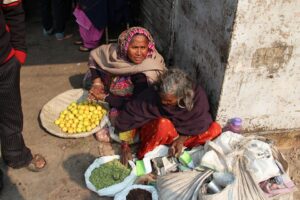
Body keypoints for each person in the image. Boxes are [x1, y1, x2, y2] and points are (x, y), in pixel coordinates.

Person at [114, 68, 222, 164]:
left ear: (182, 96)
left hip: (187, 135)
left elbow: (200, 122)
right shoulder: (152, 96)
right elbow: (129, 115)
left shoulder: (197, 96)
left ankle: (180, 150)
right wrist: (125, 146)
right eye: (162, 98)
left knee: (215, 129)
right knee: (163, 124)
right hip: (163, 135)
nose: (163, 102)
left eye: (169, 101)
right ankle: (145, 156)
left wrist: (181, 139)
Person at [0, 0, 47, 190]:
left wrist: (18, 50)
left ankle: (16, 155)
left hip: (4, 61)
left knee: (11, 113)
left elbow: (12, 6)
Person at [87, 26, 166, 115]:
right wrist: (97, 83)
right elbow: (95, 55)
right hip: (110, 88)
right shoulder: (116, 53)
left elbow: (136, 105)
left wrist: (105, 98)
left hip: (130, 103)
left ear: (149, 47)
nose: (139, 53)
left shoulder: (147, 73)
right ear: (125, 46)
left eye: (143, 47)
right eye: (135, 47)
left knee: (116, 118)